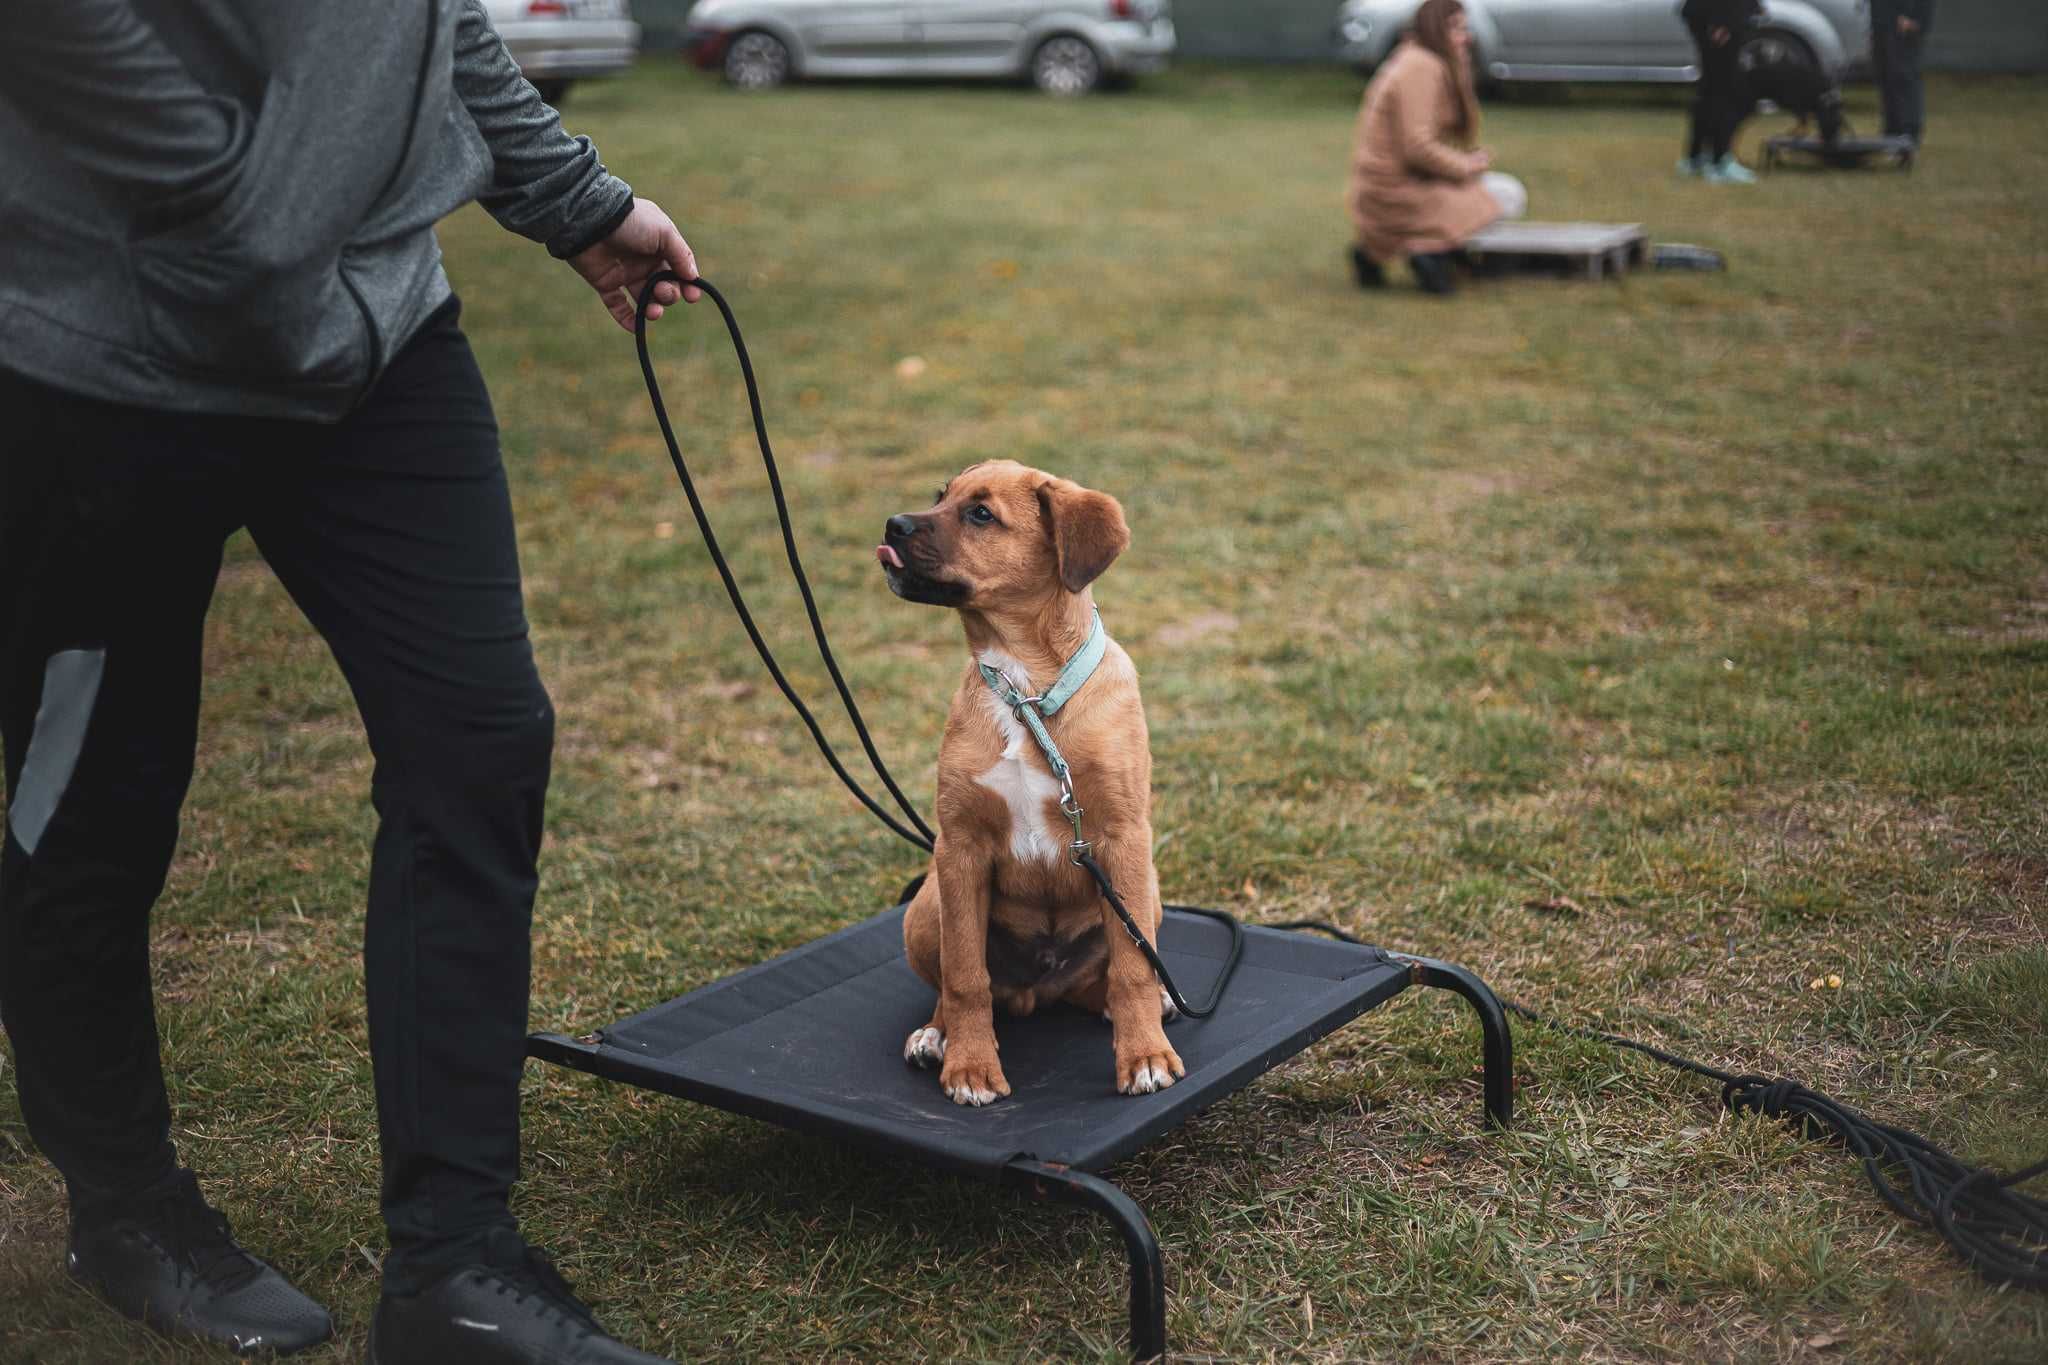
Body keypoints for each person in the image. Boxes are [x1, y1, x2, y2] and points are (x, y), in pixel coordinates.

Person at [0, 3, 699, 1361]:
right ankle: (125, 1207)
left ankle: (456, 1264)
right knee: (95, 810)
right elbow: (254, 221)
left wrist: (574, 200)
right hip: (100, 372)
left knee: (479, 738)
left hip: (376, 351)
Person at [1345, 0, 1527, 297]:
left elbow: (1444, 136)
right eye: (1458, 29)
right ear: (1435, 29)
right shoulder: (1421, 67)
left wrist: (1461, 69)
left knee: (1489, 191)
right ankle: (1429, 250)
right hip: (1397, 193)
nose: (1466, 37)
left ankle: (1379, 251)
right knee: (1509, 195)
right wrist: (1467, 166)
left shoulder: (1417, 59)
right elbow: (1417, 148)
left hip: (1388, 190)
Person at [1678, 0, 1764, 183]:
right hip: (1721, 15)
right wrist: (1723, 21)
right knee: (1725, 90)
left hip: (1710, 13)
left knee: (1711, 87)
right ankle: (1719, 161)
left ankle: (1696, 157)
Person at [1871, 0, 1935, 145]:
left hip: (1904, 22)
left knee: (1905, 76)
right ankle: (1892, 131)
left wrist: (1915, 20)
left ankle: (1910, 132)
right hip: (1882, 22)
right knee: (1886, 77)